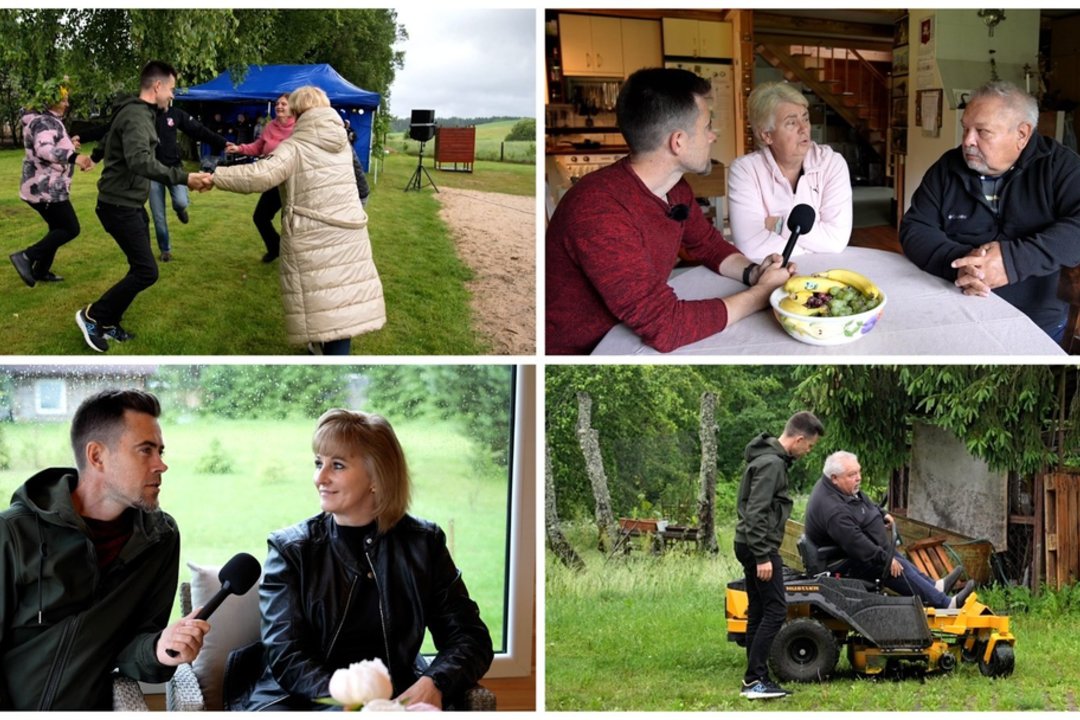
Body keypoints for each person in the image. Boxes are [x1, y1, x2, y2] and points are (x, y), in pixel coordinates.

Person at [226, 409, 493, 710]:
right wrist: (352, 705)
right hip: (299, 699)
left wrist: (436, 682)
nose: (319, 478)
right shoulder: (291, 550)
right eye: (318, 463)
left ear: (377, 477)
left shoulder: (424, 544)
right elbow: (287, 657)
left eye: (337, 465)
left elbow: (470, 638)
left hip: (395, 699)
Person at [546, 67, 797, 355]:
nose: (713, 136)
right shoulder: (598, 211)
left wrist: (753, 274)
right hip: (586, 353)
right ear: (678, 141)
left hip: (628, 333)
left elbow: (707, 245)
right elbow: (666, 327)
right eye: (706, 127)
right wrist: (761, 294)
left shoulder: (675, 188)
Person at [0, 389, 209, 709]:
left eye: (161, 451)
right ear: (97, 456)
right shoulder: (14, 534)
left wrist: (160, 649)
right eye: (146, 450)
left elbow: (132, 648)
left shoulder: (160, 539)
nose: (161, 465)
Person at [900, 80, 1080, 341]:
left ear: (1022, 134)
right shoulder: (947, 168)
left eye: (982, 132)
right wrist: (963, 264)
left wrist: (1012, 262)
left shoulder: (1060, 166)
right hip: (954, 306)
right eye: (966, 129)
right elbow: (915, 227)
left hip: (1035, 321)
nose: (967, 141)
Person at [211, 86, 385, 355]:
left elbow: (259, 175)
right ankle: (322, 352)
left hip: (315, 237)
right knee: (342, 304)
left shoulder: (295, 147)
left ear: (299, 111)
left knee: (328, 307)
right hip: (349, 234)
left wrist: (214, 176)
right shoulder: (341, 144)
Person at [74, 60, 213, 353]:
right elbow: (140, 161)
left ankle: (108, 322)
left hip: (129, 205)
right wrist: (185, 177)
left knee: (140, 267)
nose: (172, 96)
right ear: (158, 86)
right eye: (172, 89)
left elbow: (109, 136)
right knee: (147, 271)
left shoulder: (137, 112)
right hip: (118, 206)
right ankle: (93, 316)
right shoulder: (137, 116)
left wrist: (97, 155)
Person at [803, 451, 976, 610]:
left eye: (858, 472)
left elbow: (861, 501)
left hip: (847, 552)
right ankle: (946, 604)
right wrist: (885, 559)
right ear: (834, 478)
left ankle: (934, 587)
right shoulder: (833, 510)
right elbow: (856, 544)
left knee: (891, 554)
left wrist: (881, 513)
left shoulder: (837, 487)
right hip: (841, 562)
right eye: (852, 475)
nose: (858, 478)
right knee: (890, 564)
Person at [734, 411, 824, 700]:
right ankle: (754, 680)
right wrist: (762, 555)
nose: (807, 452)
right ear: (799, 439)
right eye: (809, 446)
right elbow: (756, 512)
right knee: (775, 610)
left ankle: (756, 677)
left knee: (759, 611)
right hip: (757, 545)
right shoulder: (772, 464)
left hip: (747, 542)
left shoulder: (768, 459)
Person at [728, 81, 852, 260]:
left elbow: (836, 240)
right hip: (770, 275)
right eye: (791, 123)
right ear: (767, 135)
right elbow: (750, 246)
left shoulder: (832, 163)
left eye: (806, 118)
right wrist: (810, 251)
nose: (804, 129)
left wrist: (778, 225)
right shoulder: (745, 171)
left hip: (823, 272)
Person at [10, 77, 95, 288]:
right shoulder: (44, 121)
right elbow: (44, 149)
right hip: (45, 189)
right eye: (64, 100)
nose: (67, 104)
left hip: (46, 187)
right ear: (51, 100)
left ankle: (40, 270)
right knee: (70, 228)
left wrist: (69, 144)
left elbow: (52, 142)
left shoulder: (46, 120)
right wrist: (75, 157)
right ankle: (26, 257)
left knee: (56, 227)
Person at [149, 104, 229, 262]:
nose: (171, 96)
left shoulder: (176, 114)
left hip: (175, 169)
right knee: (158, 216)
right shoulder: (145, 114)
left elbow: (198, 130)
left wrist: (223, 143)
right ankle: (165, 250)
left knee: (180, 202)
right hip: (153, 172)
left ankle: (180, 209)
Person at [225, 93, 296, 262]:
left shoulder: (299, 128)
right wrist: (239, 148)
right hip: (272, 180)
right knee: (260, 217)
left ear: (292, 107)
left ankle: (294, 259)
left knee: (290, 223)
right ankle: (275, 247)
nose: (279, 106)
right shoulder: (270, 125)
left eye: (284, 104)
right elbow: (259, 146)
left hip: (292, 183)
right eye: (277, 103)